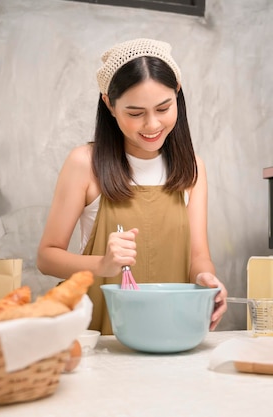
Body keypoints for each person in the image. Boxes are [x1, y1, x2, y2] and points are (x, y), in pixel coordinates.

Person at [37, 38, 228, 334]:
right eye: (135, 113)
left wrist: (206, 279)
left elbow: (198, 256)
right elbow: (47, 257)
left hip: (171, 330)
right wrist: (102, 264)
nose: (152, 125)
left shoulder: (193, 168)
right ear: (109, 105)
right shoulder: (84, 163)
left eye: (163, 108)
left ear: (177, 94)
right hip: (100, 337)